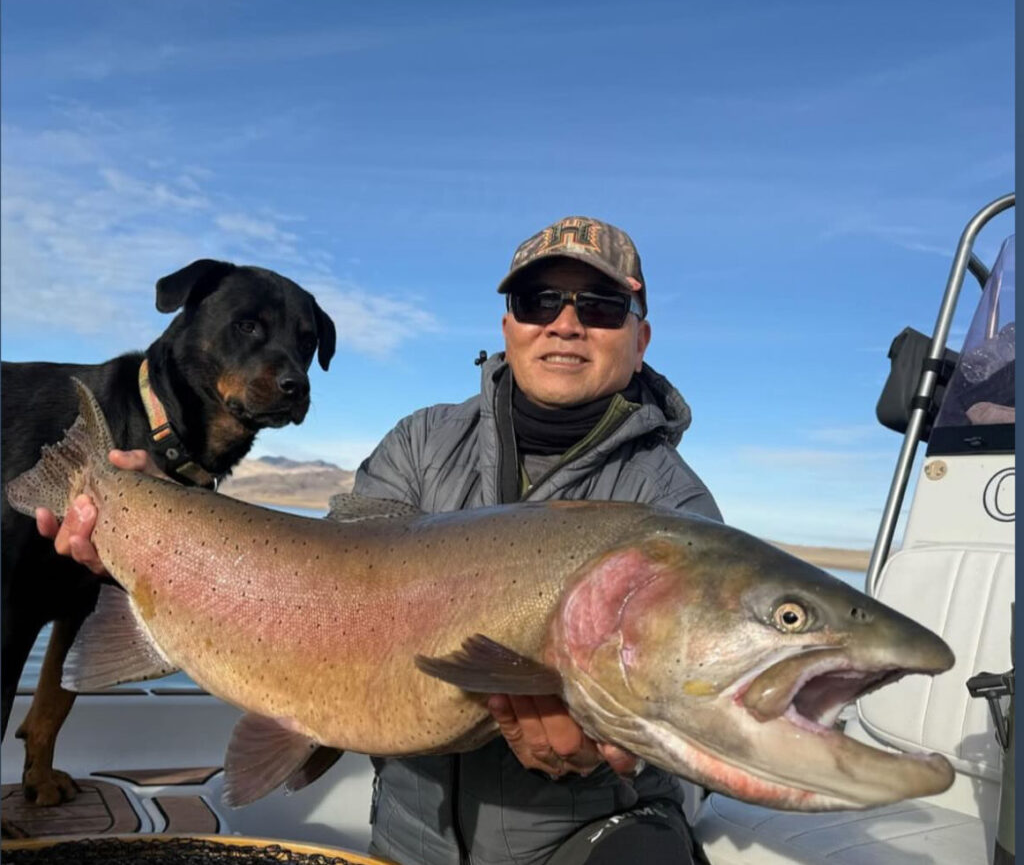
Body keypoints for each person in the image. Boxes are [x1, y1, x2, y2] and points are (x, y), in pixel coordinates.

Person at [39, 215, 721, 865]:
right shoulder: (422, 443)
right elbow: (323, 593)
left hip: (588, 839)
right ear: (509, 324)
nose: (566, 323)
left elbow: (705, 731)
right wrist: (151, 519)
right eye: (539, 299)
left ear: (641, 337)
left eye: (600, 305)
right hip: (407, 842)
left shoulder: (677, 513)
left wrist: (612, 756)